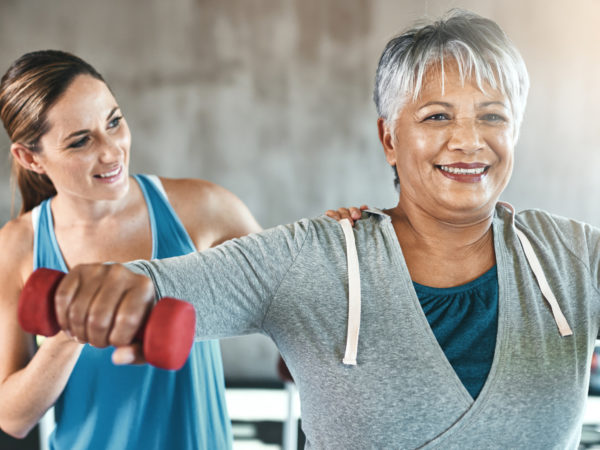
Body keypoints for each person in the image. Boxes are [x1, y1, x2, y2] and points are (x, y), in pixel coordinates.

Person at [21, 9, 595, 448]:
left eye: (492, 115)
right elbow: (168, 282)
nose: (469, 140)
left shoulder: (575, 258)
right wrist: (114, 289)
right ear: (389, 138)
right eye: (437, 116)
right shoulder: (311, 258)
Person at [0, 50, 362, 449]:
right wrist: (69, 333)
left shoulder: (202, 208)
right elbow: (12, 418)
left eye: (114, 122)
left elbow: (294, 304)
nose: (111, 151)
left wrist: (343, 246)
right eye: (80, 141)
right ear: (30, 157)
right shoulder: (18, 246)